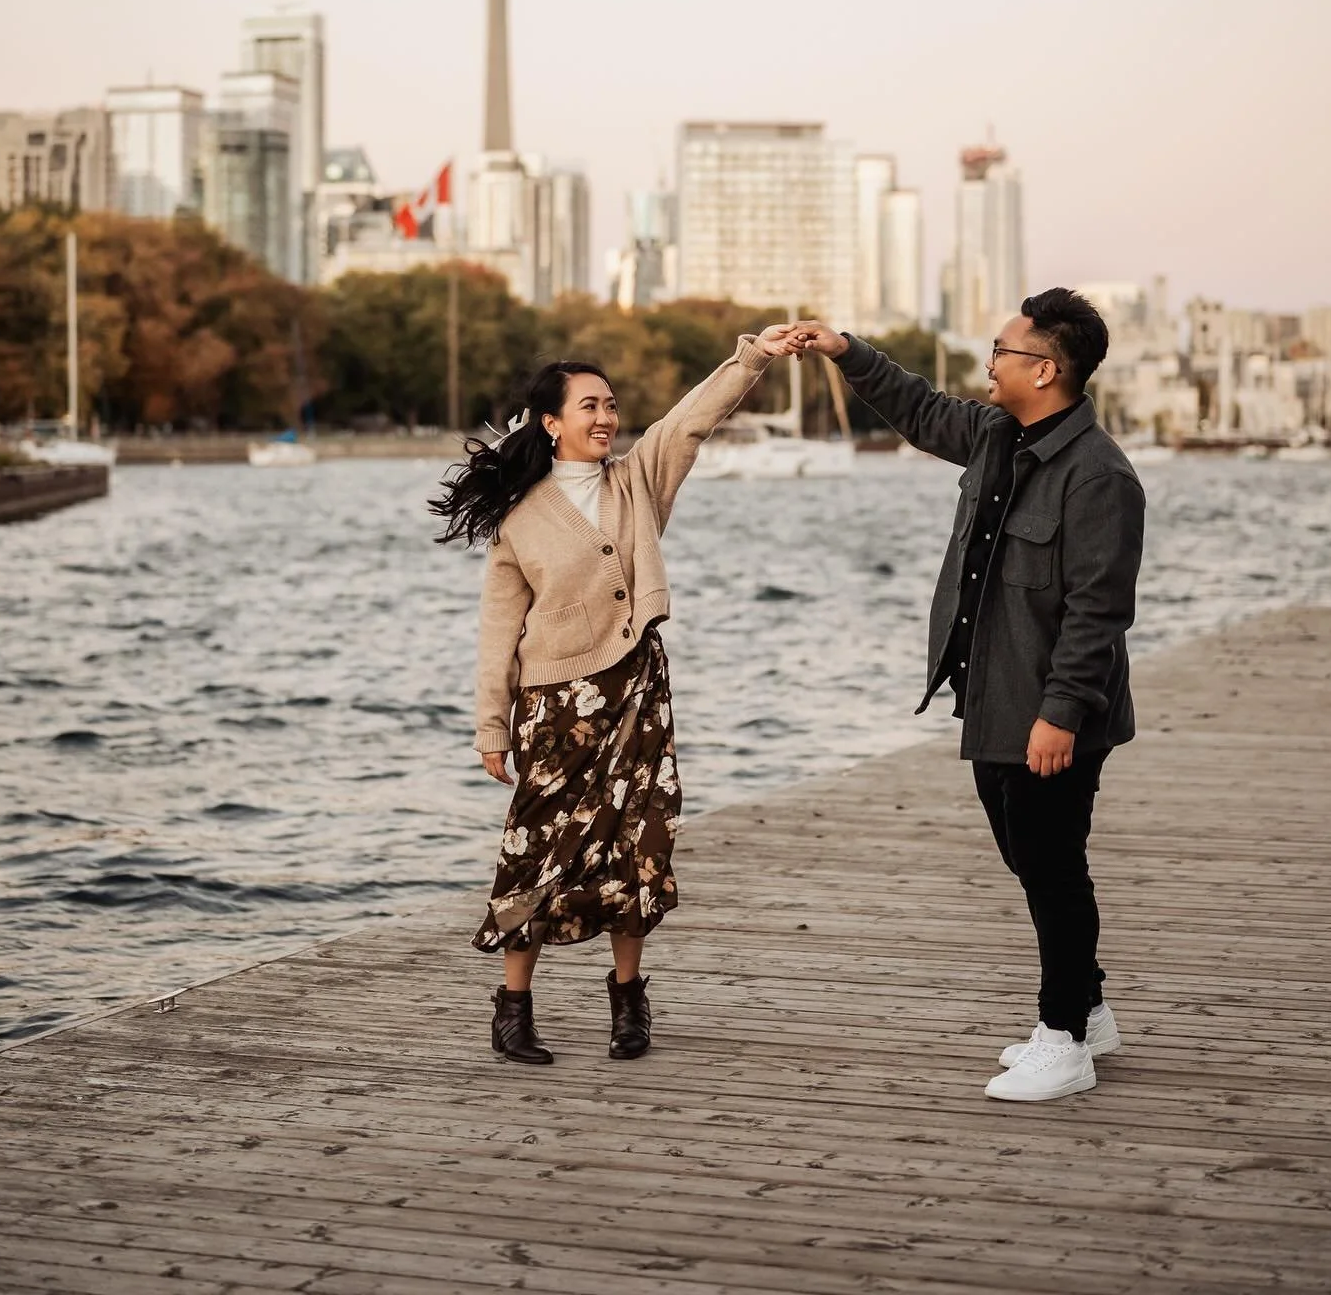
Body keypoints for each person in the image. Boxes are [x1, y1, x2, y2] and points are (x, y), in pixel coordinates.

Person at [793, 289, 1144, 1102]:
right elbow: (918, 409)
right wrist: (845, 350)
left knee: (1053, 868)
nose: (989, 363)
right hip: (992, 696)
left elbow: (1098, 610)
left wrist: (1060, 714)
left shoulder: (1100, 476)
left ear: (1046, 370)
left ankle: (1064, 1039)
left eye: (1002, 351)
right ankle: (1088, 1010)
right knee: (1028, 857)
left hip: (1052, 712)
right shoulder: (994, 434)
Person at [431, 324, 799, 1066]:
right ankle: (513, 1009)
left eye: (611, 404)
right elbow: (498, 630)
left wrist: (754, 356)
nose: (606, 417)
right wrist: (491, 727)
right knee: (534, 850)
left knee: (640, 844)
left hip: (637, 691)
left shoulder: (637, 482)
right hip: (555, 708)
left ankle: (629, 1003)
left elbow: (691, 419)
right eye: (589, 406)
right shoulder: (519, 516)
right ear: (551, 422)